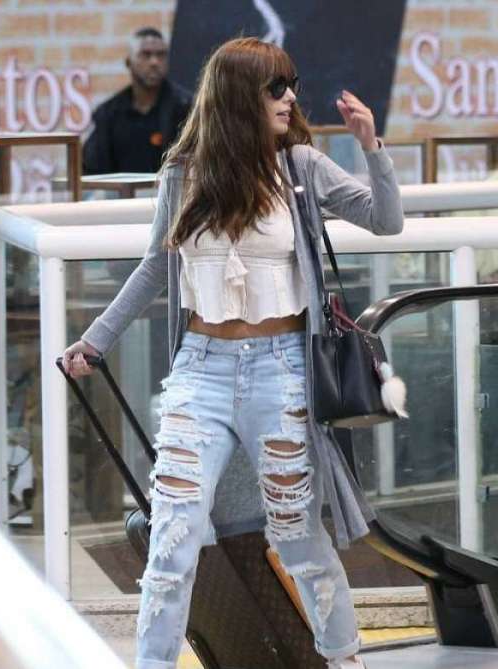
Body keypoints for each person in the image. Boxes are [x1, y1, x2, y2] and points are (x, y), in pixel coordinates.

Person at [63, 36, 402, 669]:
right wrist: (96, 337)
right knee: (172, 538)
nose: (289, 97)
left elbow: (386, 220)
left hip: (284, 368)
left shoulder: (299, 166)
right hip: (201, 370)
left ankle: (344, 659)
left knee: (297, 536)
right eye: (276, 87)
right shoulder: (183, 171)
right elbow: (155, 265)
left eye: (291, 84)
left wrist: (371, 147)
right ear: (239, 96)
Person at [82, 27, 192, 175]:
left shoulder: (187, 108)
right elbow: (92, 170)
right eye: (145, 55)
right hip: (119, 190)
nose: (154, 62)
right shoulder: (109, 114)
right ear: (129, 62)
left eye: (161, 55)